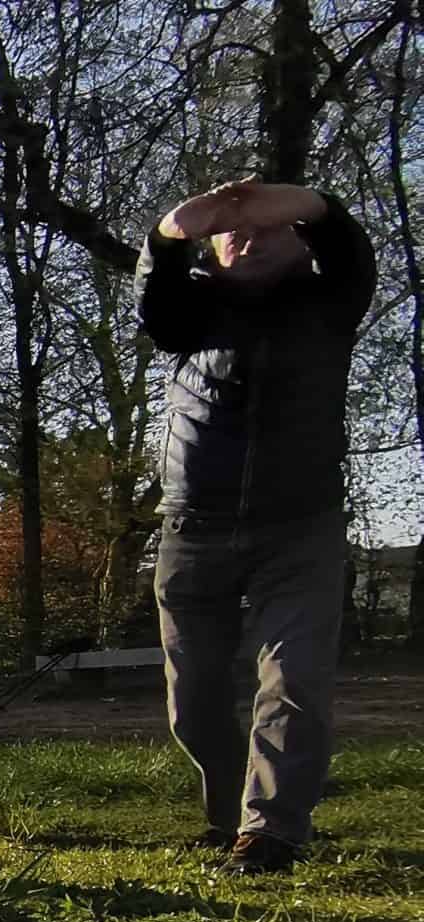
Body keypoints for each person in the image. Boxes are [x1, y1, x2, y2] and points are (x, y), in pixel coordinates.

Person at [139, 178, 376, 876]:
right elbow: (156, 298)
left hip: (300, 526)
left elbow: (348, 254)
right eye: (232, 228)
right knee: (196, 704)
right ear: (210, 250)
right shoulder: (190, 316)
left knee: (293, 681)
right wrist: (167, 234)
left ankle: (271, 834)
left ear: (298, 242)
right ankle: (226, 819)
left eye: (267, 226)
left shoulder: (328, 306)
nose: (247, 233)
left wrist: (313, 209)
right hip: (192, 527)